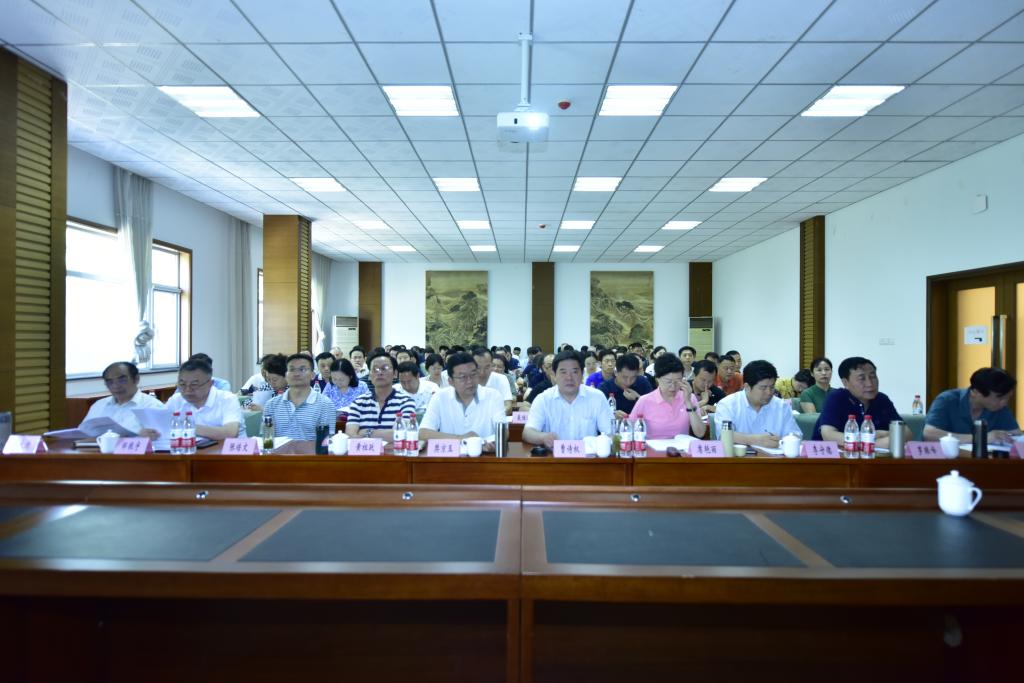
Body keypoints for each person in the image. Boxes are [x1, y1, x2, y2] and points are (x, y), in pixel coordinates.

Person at [523, 350, 614, 447]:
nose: (569, 378)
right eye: (563, 372)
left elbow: (610, 432)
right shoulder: (543, 399)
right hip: (553, 455)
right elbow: (528, 432)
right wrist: (543, 437)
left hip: (588, 455)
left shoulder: (597, 397)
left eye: (575, 372)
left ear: (582, 374)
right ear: (554, 375)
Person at [812, 356, 910, 447]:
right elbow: (829, 435)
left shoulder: (882, 399)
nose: (870, 383)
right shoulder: (836, 398)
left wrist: (876, 440)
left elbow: (907, 433)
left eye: (873, 376)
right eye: (862, 378)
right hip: (831, 457)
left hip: (872, 457)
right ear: (845, 382)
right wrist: (872, 441)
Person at [419, 351, 506, 450]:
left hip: (484, 456)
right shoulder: (439, 398)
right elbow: (423, 433)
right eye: (462, 377)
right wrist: (461, 438)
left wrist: (493, 444)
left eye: (473, 375)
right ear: (451, 381)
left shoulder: (493, 396)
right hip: (450, 457)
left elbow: (504, 431)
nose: (469, 381)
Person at [714, 360, 800, 448]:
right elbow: (723, 435)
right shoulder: (727, 405)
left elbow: (795, 435)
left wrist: (786, 440)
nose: (769, 392)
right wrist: (755, 440)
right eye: (763, 388)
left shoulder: (782, 406)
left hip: (775, 456)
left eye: (772, 387)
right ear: (747, 387)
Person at [924, 367, 1020, 444]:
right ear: (976, 392)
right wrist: (980, 438)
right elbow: (929, 434)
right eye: (1000, 398)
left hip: (984, 460)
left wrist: (1008, 437)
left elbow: (1017, 435)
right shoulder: (947, 400)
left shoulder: (1000, 408)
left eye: (1008, 397)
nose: (1005, 402)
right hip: (946, 459)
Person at [630, 354, 706, 440]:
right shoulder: (644, 401)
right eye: (668, 382)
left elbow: (700, 433)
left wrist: (688, 403)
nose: (673, 387)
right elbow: (630, 431)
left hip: (680, 448)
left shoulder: (690, 397)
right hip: (653, 447)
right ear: (657, 378)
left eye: (678, 381)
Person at [262, 353, 337, 440]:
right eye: (291, 369)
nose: (296, 374)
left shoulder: (326, 405)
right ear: (285, 375)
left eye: (302, 369)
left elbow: (326, 442)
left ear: (313, 375)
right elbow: (267, 440)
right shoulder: (271, 405)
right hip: (279, 449)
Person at [165, 357, 244, 439]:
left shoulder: (227, 399)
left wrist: (186, 426)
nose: (187, 390)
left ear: (210, 383)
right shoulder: (176, 400)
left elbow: (230, 433)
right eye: (182, 384)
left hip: (229, 447)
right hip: (190, 446)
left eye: (194, 384)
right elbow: (161, 423)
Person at [345, 351, 416, 441]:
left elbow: (402, 435)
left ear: (395, 374)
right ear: (369, 375)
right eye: (375, 369)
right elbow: (351, 436)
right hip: (366, 450)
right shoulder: (358, 402)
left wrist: (366, 432)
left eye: (385, 368)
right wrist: (388, 435)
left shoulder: (406, 402)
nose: (379, 372)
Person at [82, 361, 164, 434]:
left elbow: (158, 439)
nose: (116, 386)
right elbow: (83, 434)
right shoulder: (99, 406)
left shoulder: (153, 406)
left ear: (136, 379)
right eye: (110, 382)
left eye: (122, 380)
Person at [598, 353, 653, 419]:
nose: (628, 382)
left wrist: (638, 398)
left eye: (633, 377)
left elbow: (653, 407)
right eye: (624, 377)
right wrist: (611, 414)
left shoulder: (642, 382)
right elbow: (598, 412)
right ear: (616, 373)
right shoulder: (604, 388)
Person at [472, 347, 513, 413]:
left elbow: (508, 406)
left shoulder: (501, 378)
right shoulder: (464, 380)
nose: (482, 372)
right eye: (478, 367)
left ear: (491, 364)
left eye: (487, 367)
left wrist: (491, 416)